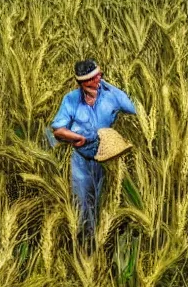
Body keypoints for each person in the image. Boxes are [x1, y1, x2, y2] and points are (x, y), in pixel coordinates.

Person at [51, 59, 136, 237]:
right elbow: (58, 130)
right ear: (82, 82)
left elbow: (136, 111)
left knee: (105, 202)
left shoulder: (111, 95)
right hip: (81, 159)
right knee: (83, 205)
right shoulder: (71, 100)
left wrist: (111, 88)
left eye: (100, 75)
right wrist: (77, 137)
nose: (99, 79)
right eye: (94, 78)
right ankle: (86, 247)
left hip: (107, 157)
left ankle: (105, 241)